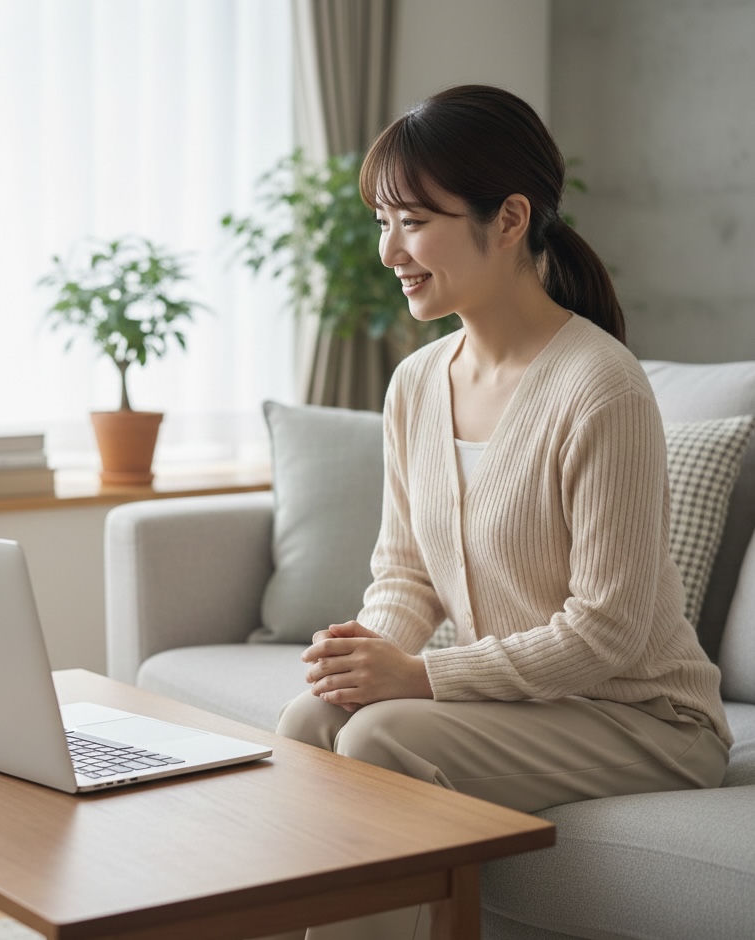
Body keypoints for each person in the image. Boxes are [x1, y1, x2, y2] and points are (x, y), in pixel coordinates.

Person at [272, 85, 731, 940]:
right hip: (529, 705)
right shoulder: (415, 383)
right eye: (383, 221)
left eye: (412, 220)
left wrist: (420, 678)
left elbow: (609, 633)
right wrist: (367, 657)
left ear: (510, 218)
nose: (389, 251)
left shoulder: (601, 386)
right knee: (311, 721)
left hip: (640, 719)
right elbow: (404, 573)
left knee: (382, 742)